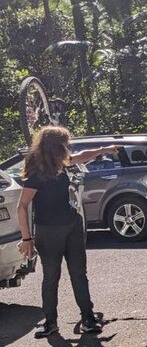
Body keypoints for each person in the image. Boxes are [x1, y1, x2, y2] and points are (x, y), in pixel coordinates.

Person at [16, 126, 121, 338]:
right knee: (51, 277)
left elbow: (81, 157)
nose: (67, 147)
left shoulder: (59, 163)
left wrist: (105, 149)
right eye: (64, 143)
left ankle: (88, 319)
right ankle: (51, 322)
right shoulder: (38, 170)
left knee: (79, 274)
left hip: (71, 225)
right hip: (48, 231)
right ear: (54, 146)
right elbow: (22, 205)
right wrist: (26, 238)